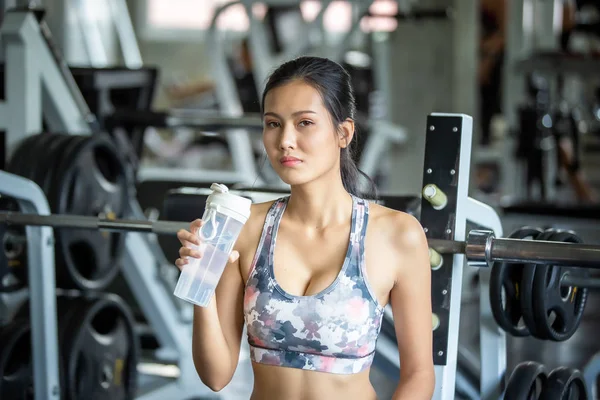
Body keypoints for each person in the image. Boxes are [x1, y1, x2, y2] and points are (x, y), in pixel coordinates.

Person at [175, 56, 435, 400]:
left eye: (305, 123)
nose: (285, 140)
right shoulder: (246, 228)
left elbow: (419, 374)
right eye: (273, 124)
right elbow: (216, 375)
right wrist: (200, 281)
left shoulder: (397, 235)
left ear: (343, 133)